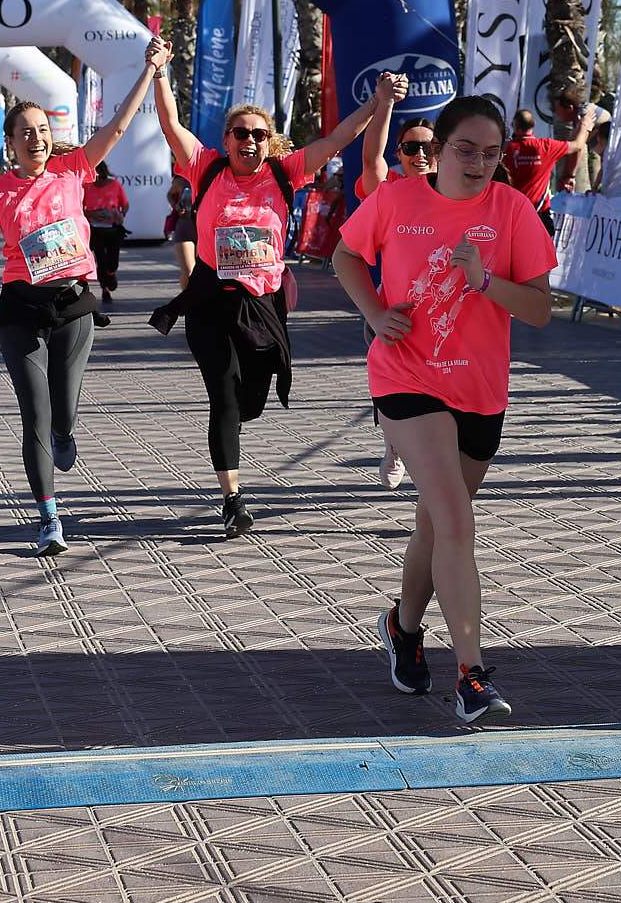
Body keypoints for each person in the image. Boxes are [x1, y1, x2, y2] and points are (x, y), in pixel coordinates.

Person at [335, 95, 555, 724]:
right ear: (438, 151)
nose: (480, 162)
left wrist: (486, 282)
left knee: (436, 524)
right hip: (406, 378)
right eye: (466, 149)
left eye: (492, 153)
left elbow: (540, 309)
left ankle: (404, 628)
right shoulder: (399, 199)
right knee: (455, 517)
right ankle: (472, 674)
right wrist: (376, 314)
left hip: (480, 391)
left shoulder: (511, 211)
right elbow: (345, 256)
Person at [150, 65, 386, 538]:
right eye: (241, 133)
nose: (250, 141)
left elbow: (338, 139)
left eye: (259, 134)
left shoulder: (286, 171)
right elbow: (170, 124)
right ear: (227, 138)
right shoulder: (206, 166)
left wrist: (378, 102)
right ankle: (232, 499)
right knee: (224, 398)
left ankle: (238, 421)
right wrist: (159, 73)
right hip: (211, 297)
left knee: (251, 399)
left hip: (263, 303)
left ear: (269, 141)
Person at [0, 40, 167, 556]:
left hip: (73, 303)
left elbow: (117, 126)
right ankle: (49, 517)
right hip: (20, 308)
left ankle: (65, 433)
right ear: (9, 143)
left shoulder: (74, 168)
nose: (37, 138)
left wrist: (149, 69)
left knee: (63, 413)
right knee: (34, 414)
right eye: (26, 133)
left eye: (43, 131)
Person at [356, 77, 437, 490]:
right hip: (395, 315)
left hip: (448, 318)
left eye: (429, 147)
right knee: (395, 394)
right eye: (411, 147)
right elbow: (371, 161)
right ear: (400, 154)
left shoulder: (463, 195)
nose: (420, 154)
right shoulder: (388, 192)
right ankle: (394, 445)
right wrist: (384, 102)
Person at [503, 96, 600, 232]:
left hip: (513, 215)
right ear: (533, 125)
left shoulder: (507, 149)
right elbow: (578, 145)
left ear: (515, 126)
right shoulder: (546, 146)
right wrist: (585, 125)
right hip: (539, 214)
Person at [83, 161, 130, 304]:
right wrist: (91, 214)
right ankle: (105, 290)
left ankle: (111, 273)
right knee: (101, 261)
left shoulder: (115, 185)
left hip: (113, 228)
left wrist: (120, 215)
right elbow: (80, 208)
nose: (96, 178)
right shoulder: (87, 187)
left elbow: (125, 205)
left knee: (112, 261)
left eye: (99, 175)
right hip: (96, 230)